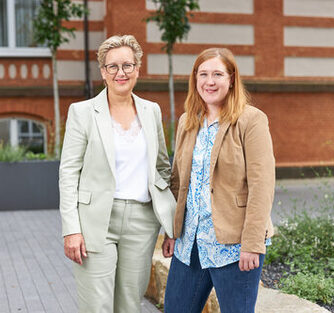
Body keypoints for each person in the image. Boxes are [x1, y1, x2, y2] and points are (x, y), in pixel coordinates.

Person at [59, 34, 175, 313]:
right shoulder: (82, 112)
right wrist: (71, 230)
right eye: (113, 66)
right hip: (95, 222)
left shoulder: (151, 111)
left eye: (127, 65)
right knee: (97, 306)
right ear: (103, 72)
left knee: (129, 306)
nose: (120, 73)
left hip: (142, 223)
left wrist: (170, 222)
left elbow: (161, 168)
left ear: (138, 69)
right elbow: (68, 173)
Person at [162, 48, 275, 313]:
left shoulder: (251, 120)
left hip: (235, 247)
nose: (209, 81)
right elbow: (178, 182)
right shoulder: (187, 121)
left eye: (217, 74)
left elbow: (262, 186)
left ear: (232, 78)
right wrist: (171, 231)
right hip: (190, 245)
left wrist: (252, 243)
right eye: (203, 74)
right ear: (195, 79)